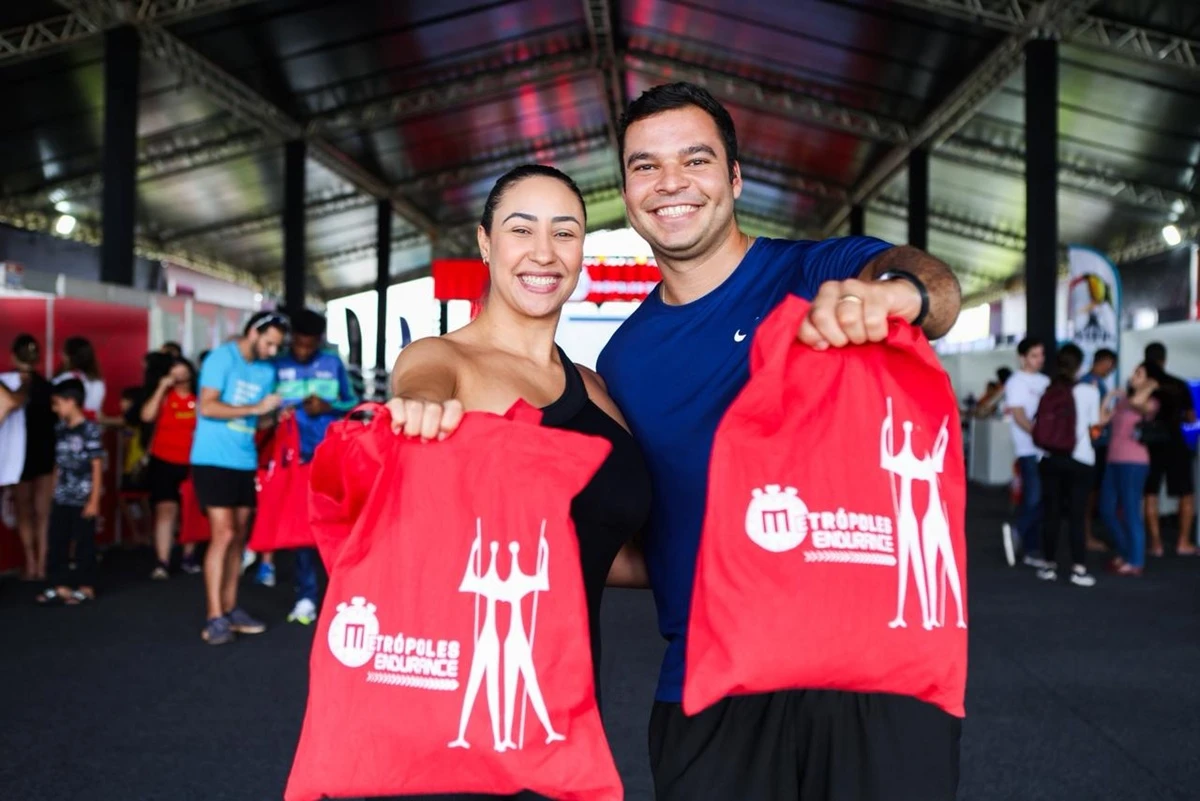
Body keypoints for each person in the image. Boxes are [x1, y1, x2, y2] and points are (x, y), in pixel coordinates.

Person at [392, 82, 962, 799]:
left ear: (734, 177)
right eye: (646, 166)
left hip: (873, 673)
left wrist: (898, 295)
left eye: (695, 160)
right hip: (707, 685)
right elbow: (644, 533)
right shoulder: (624, 364)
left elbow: (936, 289)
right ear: (627, 193)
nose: (670, 183)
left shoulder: (814, 271)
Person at [383, 165, 652, 801]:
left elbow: (599, 548)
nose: (544, 252)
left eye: (565, 232)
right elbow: (419, 387)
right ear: (485, 242)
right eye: (521, 229)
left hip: (563, 710)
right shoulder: (445, 360)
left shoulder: (597, 391)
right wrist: (420, 410)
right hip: (447, 712)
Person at [190, 311, 287, 645]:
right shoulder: (222, 358)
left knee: (239, 537)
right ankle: (214, 616)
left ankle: (230, 608)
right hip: (211, 459)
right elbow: (207, 407)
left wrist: (274, 416)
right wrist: (256, 408)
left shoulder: (266, 371)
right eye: (269, 343)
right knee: (225, 533)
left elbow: (258, 422)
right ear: (253, 332)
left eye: (277, 346)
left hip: (244, 460)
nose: (272, 351)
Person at [270, 307, 358, 625]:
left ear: (319, 340)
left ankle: (344, 594)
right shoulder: (276, 366)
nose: (304, 350)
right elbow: (262, 410)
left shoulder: (332, 363)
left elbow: (353, 403)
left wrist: (328, 406)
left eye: (310, 344)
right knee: (302, 530)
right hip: (292, 461)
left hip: (332, 457)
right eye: (299, 343)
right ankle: (306, 596)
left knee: (338, 525)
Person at [1036, 344, 1105, 587]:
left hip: (1051, 457)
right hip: (1081, 459)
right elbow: (1094, 430)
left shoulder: (1049, 389)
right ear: (1080, 366)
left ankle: (1048, 565)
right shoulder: (1089, 391)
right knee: (1078, 515)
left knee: (1051, 513)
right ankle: (1078, 569)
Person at [34, 378, 104, 606]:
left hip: (83, 497)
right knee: (57, 540)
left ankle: (86, 586)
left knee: (84, 543)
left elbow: (96, 465)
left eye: (57, 404)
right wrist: (53, 491)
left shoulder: (90, 430)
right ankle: (59, 584)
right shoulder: (60, 429)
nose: (55, 409)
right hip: (62, 495)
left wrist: (94, 499)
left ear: (71, 401)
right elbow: (59, 463)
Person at [1098, 362, 1160, 576]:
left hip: (1134, 462)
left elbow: (1137, 402)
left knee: (1131, 511)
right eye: (1134, 372)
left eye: (1139, 373)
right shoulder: (1123, 401)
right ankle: (1126, 552)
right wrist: (1110, 396)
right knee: (1106, 509)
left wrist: (1150, 385)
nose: (1133, 376)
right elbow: (1102, 421)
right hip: (1113, 460)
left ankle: (1135, 561)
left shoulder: (1150, 403)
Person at [140, 358, 199, 579]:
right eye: (174, 372)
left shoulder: (199, 399)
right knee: (166, 510)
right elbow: (146, 416)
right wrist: (161, 388)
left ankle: (188, 556)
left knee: (190, 510)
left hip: (192, 461)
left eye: (182, 371)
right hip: (163, 460)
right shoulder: (164, 397)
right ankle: (162, 561)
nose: (178, 376)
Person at [1141, 342, 1196, 556]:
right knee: (1186, 493)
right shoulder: (1178, 384)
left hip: (1149, 443)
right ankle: (1183, 542)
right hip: (1175, 442)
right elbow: (1191, 417)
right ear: (1164, 360)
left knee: (1150, 492)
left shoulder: (1140, 384)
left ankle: (1156, 544)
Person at [1001, 337, 1050, 569]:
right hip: (1028, 449)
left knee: (1039, 500)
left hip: (1046, 450)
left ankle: (1031, 548)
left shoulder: (1045, 381)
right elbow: (1019, 415)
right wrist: (1039, 435)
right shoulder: (1016, 382)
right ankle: (1018, 533)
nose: (1039, 359)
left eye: (1041, 355)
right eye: (1034, 355)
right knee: (1034, 497)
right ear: (1022, 357)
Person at [10, 335, 56, 581]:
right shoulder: (47, 386)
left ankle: (31, 563)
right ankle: (42, 563)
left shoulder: (9, 385)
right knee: (42, 512)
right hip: (44, 453)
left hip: (19, 456)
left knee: (25, 511)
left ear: (13, 356)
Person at [1079, 348, 1117, 551]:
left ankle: (1085, 535)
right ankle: (1086, 536)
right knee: (1089, 493)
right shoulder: (1091, 383)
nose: (1111, 370)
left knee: (1090, 493)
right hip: (1093, 445)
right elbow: (1095, 420)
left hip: (1094, 444)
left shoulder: (1094, 382)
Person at [53, 336, 106, 418]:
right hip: (90, 424)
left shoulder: (63, 379)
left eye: (64, 353)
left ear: (69, 357)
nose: (62, 356)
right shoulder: (98, 382)